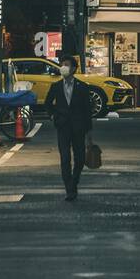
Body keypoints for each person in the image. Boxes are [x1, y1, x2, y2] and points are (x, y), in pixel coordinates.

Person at [46, 55, 93, 201]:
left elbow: (87, 110)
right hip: (63, 126)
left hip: (79, 127)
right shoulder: (56, 86)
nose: (63, 67)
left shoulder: (83, 87)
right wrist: (54, 116)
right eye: (62, 64)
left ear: (73, 68)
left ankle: (75, 180)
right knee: (65, 157)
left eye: (66, 64)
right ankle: (70, 189)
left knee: (79, 158)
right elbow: (47, 103)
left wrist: (89, 132)